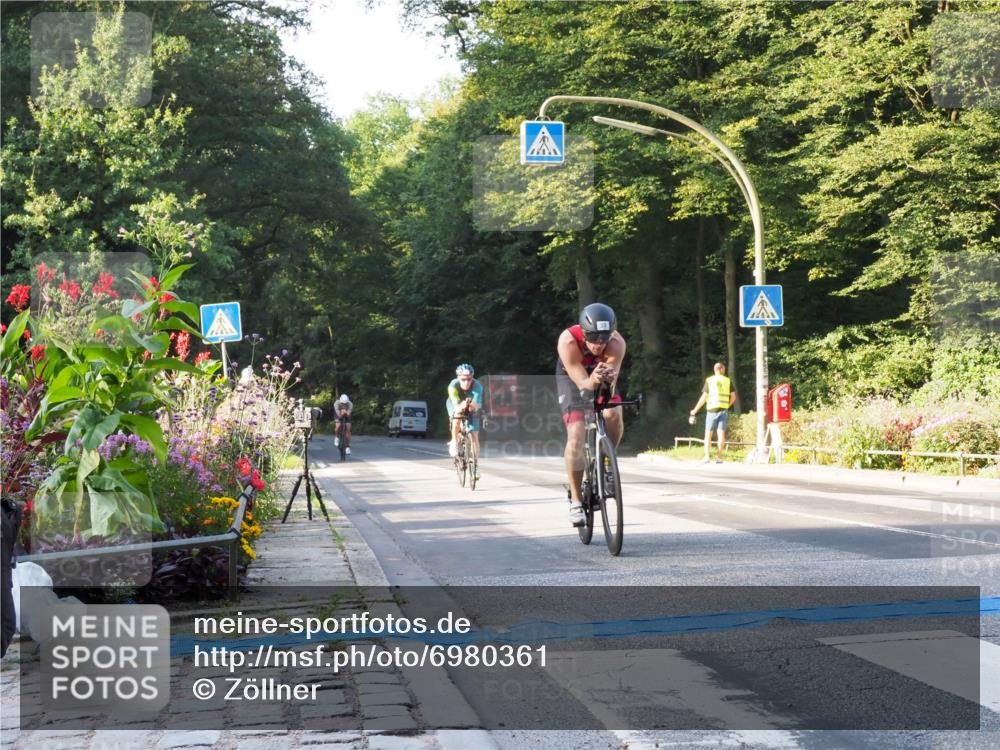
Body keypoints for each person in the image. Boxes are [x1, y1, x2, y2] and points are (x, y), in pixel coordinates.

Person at [556, 303, 627, 527]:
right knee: (576, 435)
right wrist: (592, 380)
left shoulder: (616, 343)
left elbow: (610, 389)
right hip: (573, 378)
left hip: (600, 377)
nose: (598, 344)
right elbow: (584, 385)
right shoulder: (567, 341)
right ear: (584, 333)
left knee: (613, 414)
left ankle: (606, 464)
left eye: (603, 339)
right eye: (593, 338)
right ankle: (576, 501)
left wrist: (606, 380)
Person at [689, 362, 736, 463]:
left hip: (711, 410)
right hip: (723, 410)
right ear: (722, 369)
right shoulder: (727, 381)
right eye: (724, 369)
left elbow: (704, 397)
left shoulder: (709, 380)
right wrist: (727, 405)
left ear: (715, 370)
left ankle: (707, 457)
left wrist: (695, 410)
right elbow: (733, 397)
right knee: (721, 434)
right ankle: (719, 458)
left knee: (708, 434)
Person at [446, 363, 484, 474]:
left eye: (469, 379)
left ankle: (475, 466)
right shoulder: (453, 385)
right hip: (454, 404)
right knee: (457, 416)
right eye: (463, 379)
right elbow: (456, 405)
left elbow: (475, 406)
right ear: (458, 377)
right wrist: (462, 406)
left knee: (474, 435)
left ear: (472, 377)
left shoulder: (478, 386)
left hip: (472, 406)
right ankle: (454, 441)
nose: (466, 382)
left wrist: (470, 405)